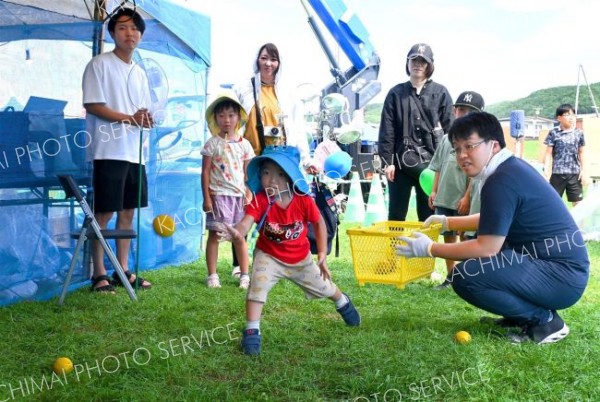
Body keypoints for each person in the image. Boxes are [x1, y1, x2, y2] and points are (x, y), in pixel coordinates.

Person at [396, 112, 589, 344]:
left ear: (494, 146)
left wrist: (430, 249)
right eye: (457, 149)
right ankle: (518, 315)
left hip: (561, 275)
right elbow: (493, 218)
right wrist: (447, 221)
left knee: (466, 276)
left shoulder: (501, 179)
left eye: (470, 146)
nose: (462, 156)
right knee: (484, 263)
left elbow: (486, 247)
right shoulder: (509, 169)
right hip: (555, 269)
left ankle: (545, 322)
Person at [218, 146, 360, 355]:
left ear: (291, 177)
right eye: (266, 173)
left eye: (280, 174)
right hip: (268, 256)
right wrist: (238, 233)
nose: (272, 180)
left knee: (324, 287)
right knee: (257, 287)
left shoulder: (303, 200)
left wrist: (321, 254)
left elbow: (319, 223)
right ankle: (251, 330)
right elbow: (247, 222)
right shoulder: (260, 199)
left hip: (300, 259)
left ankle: (342, 301)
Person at [231, 42, 317, 278]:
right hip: (252, 159)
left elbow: (297, 128)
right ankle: (239, 265)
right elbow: (232, 121)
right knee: (248, 206)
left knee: (276, 209)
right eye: (264, 58)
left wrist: (306, 157)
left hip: (278, 161)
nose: (268, 63)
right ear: (257, 60)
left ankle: (275, 259)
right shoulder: (244, 88)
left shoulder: (287, 92)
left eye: (273, 59)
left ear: (279, 63)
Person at [82, 7, 153, 292]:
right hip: (109, 150)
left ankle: (122, 270)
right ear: (112, 33)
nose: (129, 33)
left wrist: (145, 119)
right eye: (122, 28)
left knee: (127, 212)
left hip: (135, 152)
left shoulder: (140, 72)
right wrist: (130, 118)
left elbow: (143, 112)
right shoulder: (99, 64)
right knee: (104, 213)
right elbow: (93, 105)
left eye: (134, 28)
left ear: (140, 35)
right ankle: (98, 272)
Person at [378, 43, 454, 222]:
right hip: (399, 164)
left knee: (428, 216)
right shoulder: (395, 93)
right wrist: (388, 162)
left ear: (429, 65)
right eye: (414, 60)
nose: (417, 64)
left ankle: (426, 250)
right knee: (396, 216)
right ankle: (394, 251)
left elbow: (451, 131)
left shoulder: (441, 93)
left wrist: (446, 165)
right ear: (407, 63)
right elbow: (387, 130)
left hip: (431, 165)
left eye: (422, 61)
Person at [428, 91, 484, 289]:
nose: (464, 114)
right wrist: (434, 191)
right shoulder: (446, 139)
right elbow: (438, 166)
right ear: (454, 111)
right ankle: (450, 276)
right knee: (448, 236)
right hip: (445, 195)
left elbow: (476, 174)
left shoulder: (478, 141)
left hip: (464, 197)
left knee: (465, 236)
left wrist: (467, 197)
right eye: (461, 109)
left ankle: (464, 276)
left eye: (470, 111)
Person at [201, 93, 254, 289]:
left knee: (239, 236)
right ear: (215, 118)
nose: (227, 120)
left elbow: (250, 174)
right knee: (215, 235)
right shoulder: (211, 144)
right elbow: (205, 172)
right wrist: (206, 197)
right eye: (222, 116)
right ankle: (212, 275)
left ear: (238, 118)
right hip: (217, 196)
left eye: (231, 115)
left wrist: (249, 194)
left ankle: (245, 275)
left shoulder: (245, 145)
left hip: (238, 197)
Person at [544, 104, 587, 207]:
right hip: (557, 174)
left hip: (574, 174)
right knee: (553, 203)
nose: (571, 117)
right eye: (567, 115)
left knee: (578, 204)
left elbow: (582, 152)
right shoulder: (553, 133)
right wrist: (545, 170)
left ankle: (578, 224)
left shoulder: (579, 133)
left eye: (572, 114)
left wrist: (584, 170)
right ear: (559, 118)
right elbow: (548, 153)